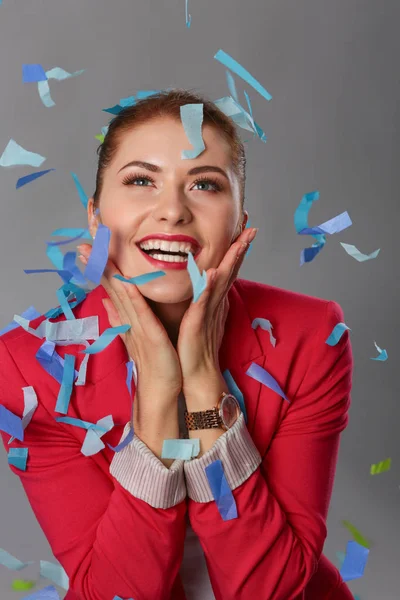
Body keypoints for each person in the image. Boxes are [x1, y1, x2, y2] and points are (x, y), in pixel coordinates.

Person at [0, 89, 354, 600]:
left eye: (205, 185)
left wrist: (203, 382)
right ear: (96, 217)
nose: (172, 211)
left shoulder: (311, 334)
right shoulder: (25, 367)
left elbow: (272, 591)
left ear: (238, 221)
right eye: (142, 180)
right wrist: (161, 390)